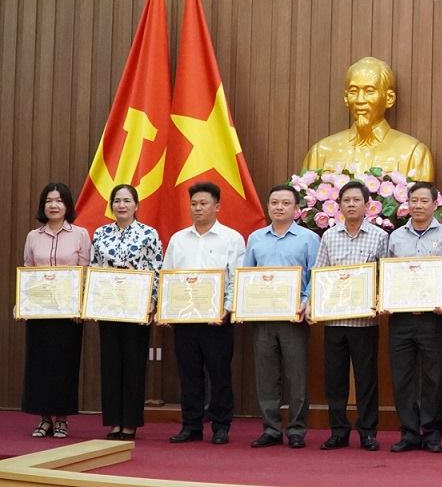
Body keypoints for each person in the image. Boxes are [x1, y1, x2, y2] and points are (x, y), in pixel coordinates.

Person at [162, 182, 245, 445]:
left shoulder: (231, 238)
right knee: (189, 373)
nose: (197, 208)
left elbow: (236, 278)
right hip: (184, 318)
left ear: (217, 206)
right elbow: (167, 275)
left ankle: (221, 426)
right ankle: (191, 425)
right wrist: (166, 309)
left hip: (216, 319)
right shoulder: (178, 239)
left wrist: (226, 309)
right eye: (194, 204)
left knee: (219, 373)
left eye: (203, 203)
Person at [313, 181, 389, 451]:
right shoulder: (329, 236)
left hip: (364, 321)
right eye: (346, 200)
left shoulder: (380, 236)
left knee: (366, 379)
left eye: (357, 200)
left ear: (368, 205)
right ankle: (338, 431)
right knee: (335, 379)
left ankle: (368, 432)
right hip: (334, 320)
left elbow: (385, 276)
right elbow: (320, 275)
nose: (352, 204)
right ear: (339, 205)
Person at [243, 184, 320, 450]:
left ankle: (297, 429)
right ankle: (271, 429)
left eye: (286, 203)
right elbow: (246, 275)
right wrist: (245, 305)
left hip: (294, 317)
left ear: (297, 209)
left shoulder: (309, 238)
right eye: (274, 202)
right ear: (268, 206)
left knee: (296, 376)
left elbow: (315, 276)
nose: (279, 207)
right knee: (266, 375)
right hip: (262, 317)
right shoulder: (255, 238)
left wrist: (306, 302)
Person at [19, 182, 91, 440]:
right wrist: (22, 302)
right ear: (43, 205)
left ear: (67, 205)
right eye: (49, 200)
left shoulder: (80, 234)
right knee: (40, 364)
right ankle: (44, 418)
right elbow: (28, 271)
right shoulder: (33, 236)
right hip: (40, 312)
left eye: (59, 200)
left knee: (64, 364)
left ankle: (61, 419)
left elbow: (85, 273)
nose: (54, 205)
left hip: (68, 313)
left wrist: (80, 305)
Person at [91, 183, 163, 440]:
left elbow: (157, 269)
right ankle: (114, 422)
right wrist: (93, 301)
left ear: (136, 205)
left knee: (133, 363)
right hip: (109, 307)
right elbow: (94, 268)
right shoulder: (100, 233)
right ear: (111, 205)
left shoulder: (148, 233)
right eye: (117, 201)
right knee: (111, 364)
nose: (121, 205)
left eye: (127, 200)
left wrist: (152, 301)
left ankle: (130, 423)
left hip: (137, 307)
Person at [385, 182, 442, 453]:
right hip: (401, 319)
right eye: (414, 200)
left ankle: (432, 434)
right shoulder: (395, 237)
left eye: (424, 201)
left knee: (434, 378)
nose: (418, 206)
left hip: (432, 318)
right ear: (407, 203)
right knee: (402, 378)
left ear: (435, 204)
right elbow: (387, 275)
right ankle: (409, 433)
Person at [301, 56, 435, 180]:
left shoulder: (413, 153)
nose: (360, 100)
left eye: (369, 91)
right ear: (346, 98)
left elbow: (421, 196)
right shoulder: (320, 152)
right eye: (353, 91)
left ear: (389, 98)